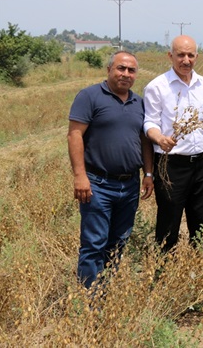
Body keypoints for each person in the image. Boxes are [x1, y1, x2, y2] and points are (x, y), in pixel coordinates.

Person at [67, 51, 154, 288]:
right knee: (94, 243)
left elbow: (144, 140)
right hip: (97, 184)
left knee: (118, 242)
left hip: (129, 185)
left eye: (131, 70)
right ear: (109, 70)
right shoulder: (90, 96)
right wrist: (80, 176)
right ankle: (87, 299)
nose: (126, 74)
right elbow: (75, 135)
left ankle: (104, 291)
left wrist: (148, 173)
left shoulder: (139, 103)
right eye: (121, 68)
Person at [143, 35, 203, 252]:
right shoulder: (157, 86)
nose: (186, 60)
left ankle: (198, 267)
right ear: (170, 56)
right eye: (181, 55)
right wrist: (159, 138)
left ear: (197, 56)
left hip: (200, 164)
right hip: (170, 164)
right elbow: (149, 122)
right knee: (169, 222)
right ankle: (164, 271)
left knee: (201, 220)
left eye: (190, 55)